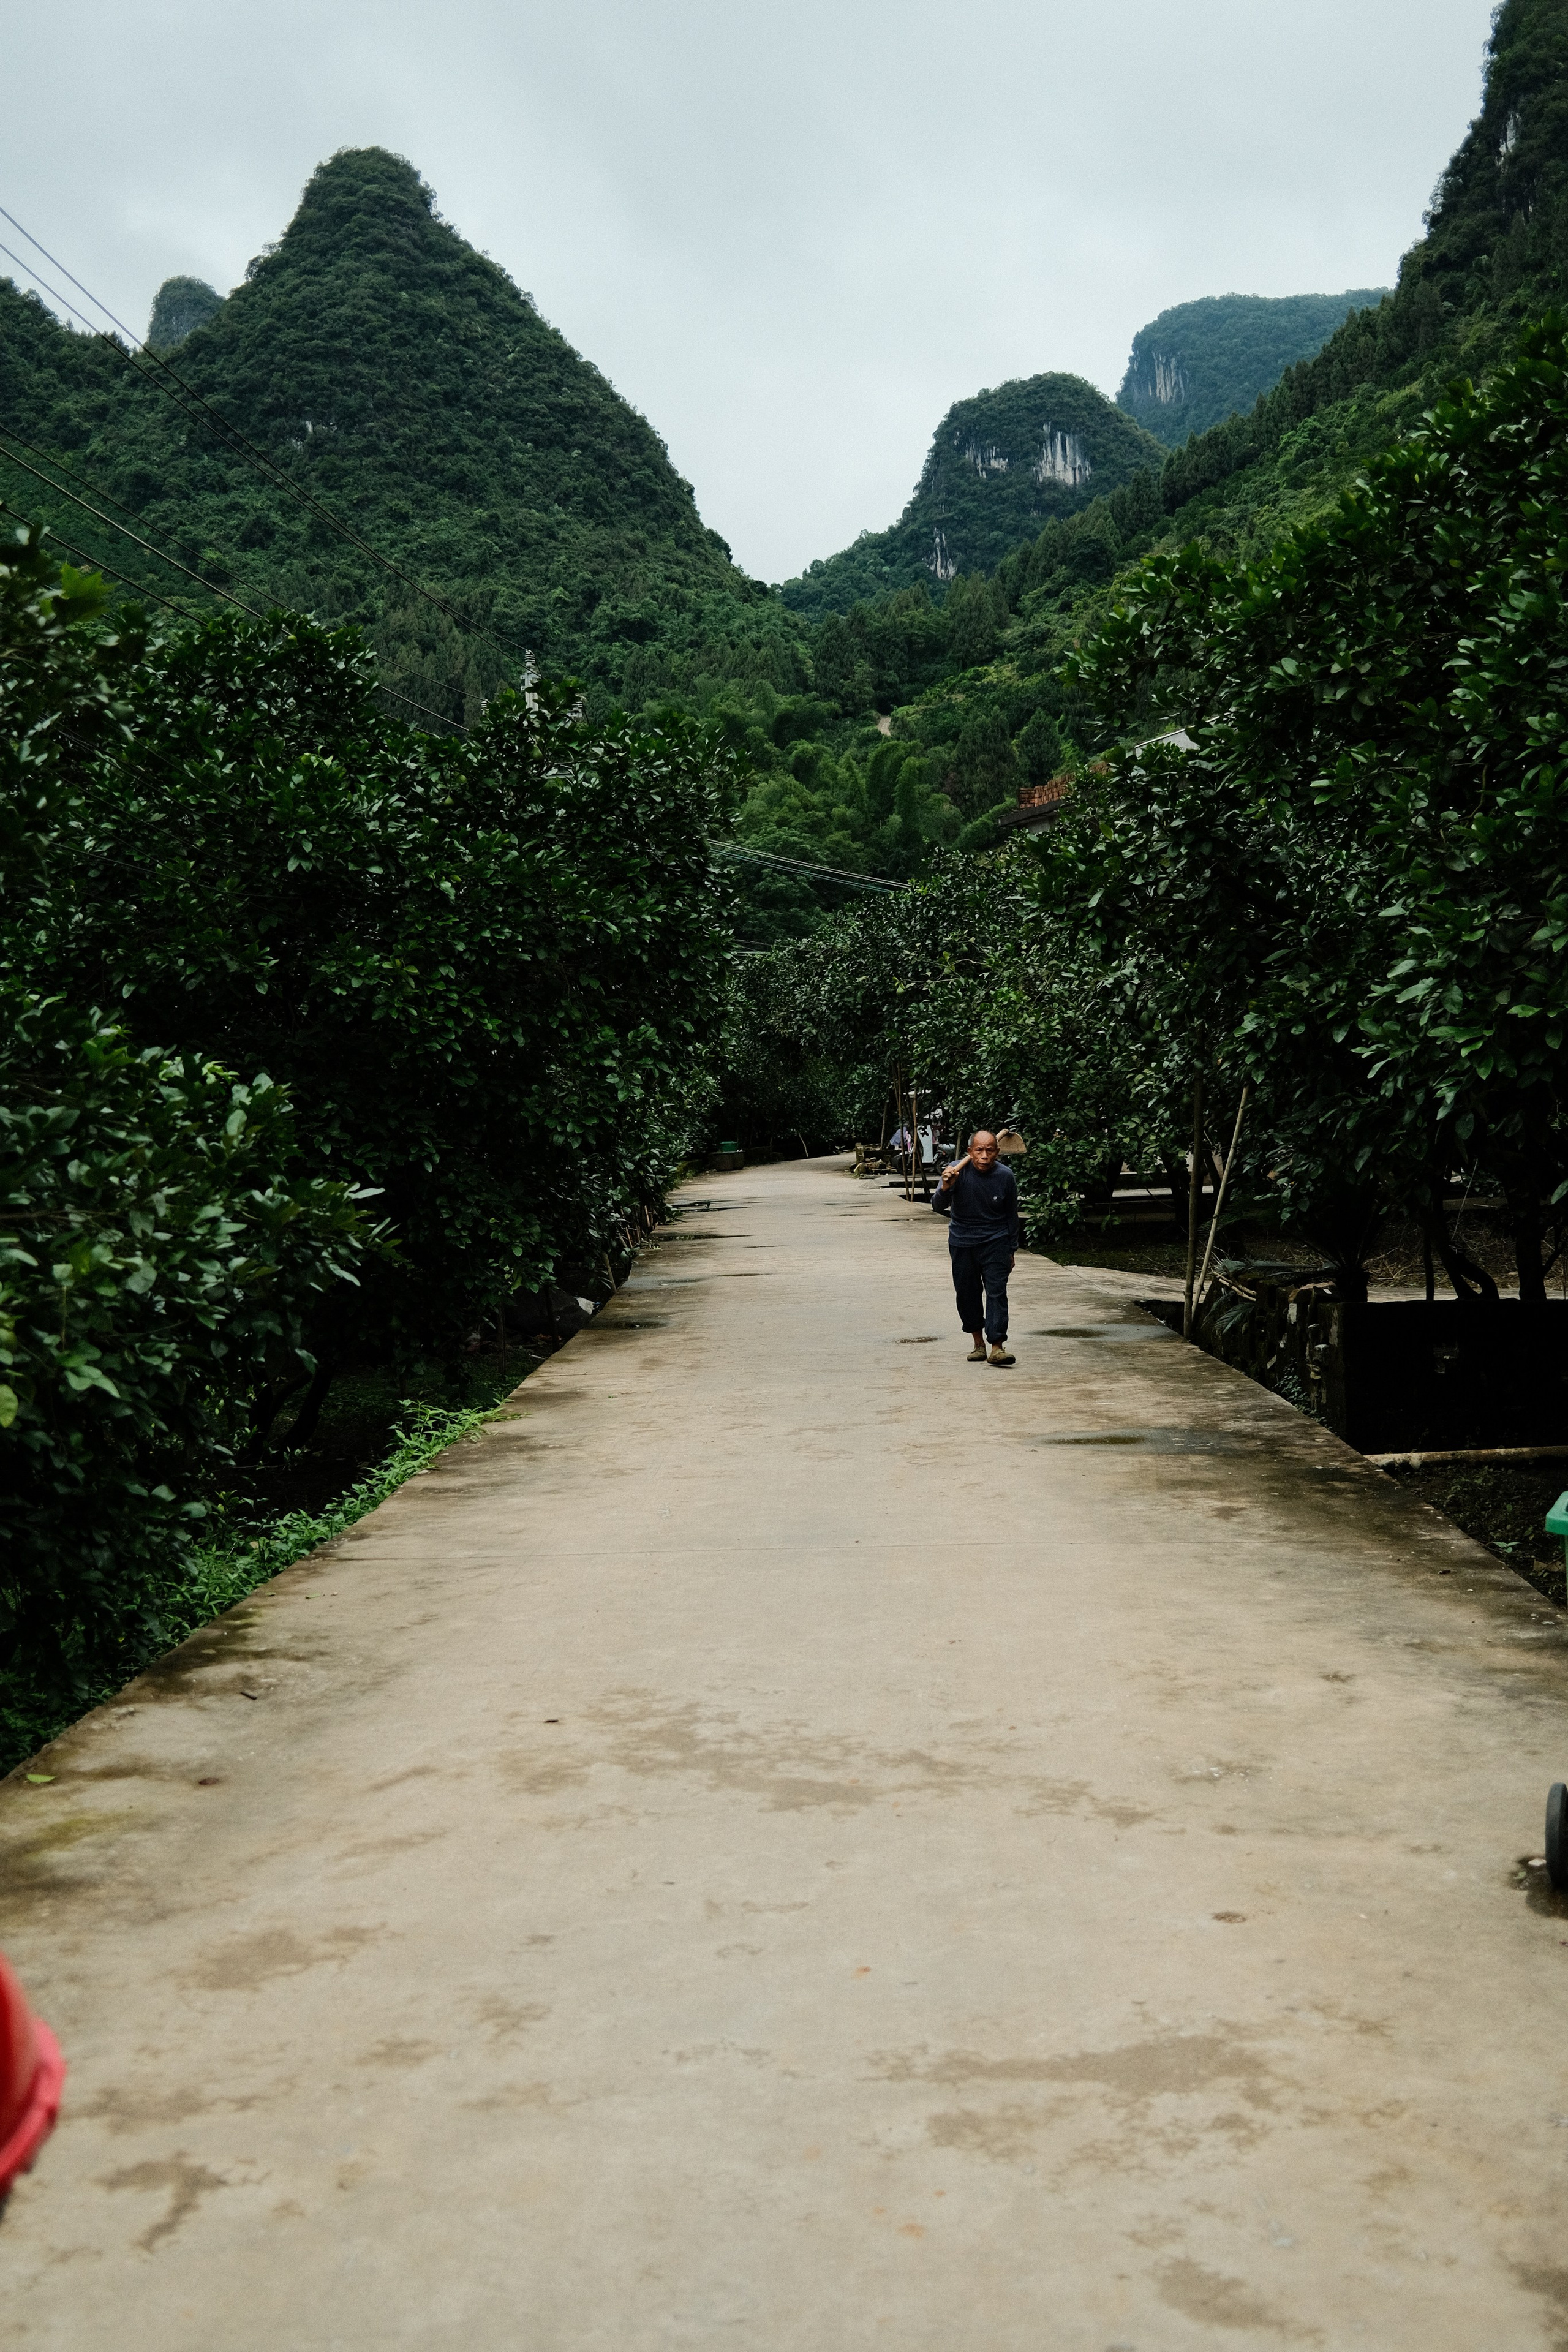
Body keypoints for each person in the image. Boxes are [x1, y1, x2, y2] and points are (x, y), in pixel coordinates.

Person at [933, 1129, 1019, 1366]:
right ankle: (978, 1344)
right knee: (967, 1294)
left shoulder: (1005, 1176)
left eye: (990, 1151)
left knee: (996, 1293)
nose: (984, 1156)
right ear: (970, 1152)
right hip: (962, 1242)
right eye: (979, 1150)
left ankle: (997, 1347)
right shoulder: (956, 1171)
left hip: (996, 1241)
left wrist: (1012, 1249)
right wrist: (945, 1186)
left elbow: (1012, 1215)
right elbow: (937, 1206)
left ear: (997, 1153)